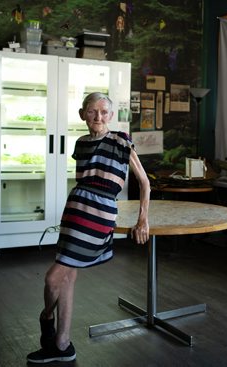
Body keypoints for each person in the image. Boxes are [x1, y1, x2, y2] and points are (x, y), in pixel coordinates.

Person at [27, 92, 150, 363]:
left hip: (99, 213)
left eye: (104, 112)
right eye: (92, 111)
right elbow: (84, 181)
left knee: (53, 278)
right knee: (68, 276)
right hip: (75, 208)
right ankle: (62, 344)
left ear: (111, 115)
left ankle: (46, 317)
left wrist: (143, 219)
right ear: (82, 114)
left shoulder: (121, 140)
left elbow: (144, 182)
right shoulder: (81, 143)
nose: (98, 117)